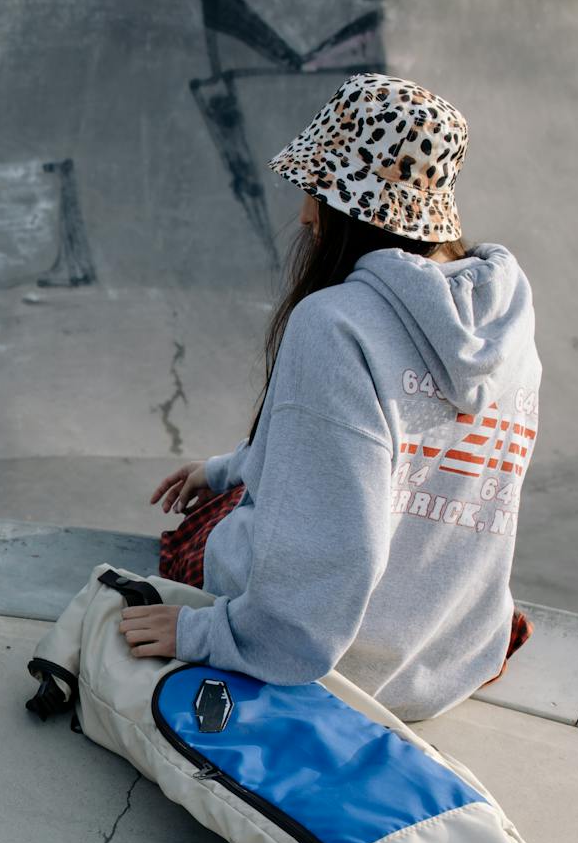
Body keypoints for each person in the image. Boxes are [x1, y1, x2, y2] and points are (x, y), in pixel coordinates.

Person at [126, 73, 540, 720]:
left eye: (317, 191)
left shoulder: (335, 324)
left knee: (195, 535)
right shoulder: (503, 324)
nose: (305, 215)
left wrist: (203, 633)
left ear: (350, 204)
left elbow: (341, 549)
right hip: (451, 650)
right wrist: (226, 467)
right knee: (246, 493)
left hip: (345, 667)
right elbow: (403, 461)